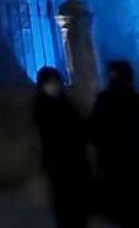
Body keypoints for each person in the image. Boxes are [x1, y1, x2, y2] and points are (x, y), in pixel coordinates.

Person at [90, 60, 139, 223]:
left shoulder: (107, 101)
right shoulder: (137, 102)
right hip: (132, 166)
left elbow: (94, 132)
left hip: (121, 166)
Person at [32, 66, 93, 228]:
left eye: (55, 82)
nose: (53, 86)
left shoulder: (65, 103)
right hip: (58, 162)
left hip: (74, 161)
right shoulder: (43, 106)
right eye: (49, 83)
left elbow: (80, 127)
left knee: (76, 204)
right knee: (65, 204)